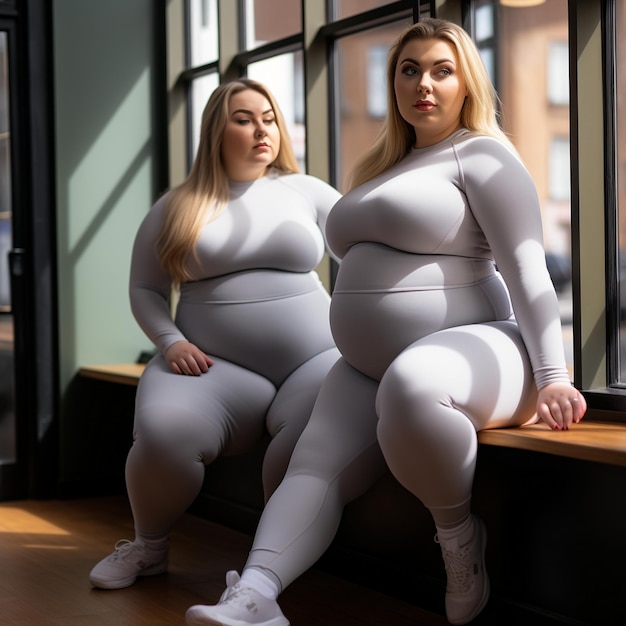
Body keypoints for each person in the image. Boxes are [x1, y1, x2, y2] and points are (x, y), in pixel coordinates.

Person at [184, 18, 588, 626]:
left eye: (441, 70)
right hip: (366, 366)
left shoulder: (483, 154)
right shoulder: (382, 165)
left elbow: (527, 267)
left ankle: (458, 540)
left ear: (467, 83)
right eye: (409, 69)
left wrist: (553, 374)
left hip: (487, 353)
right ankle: (255, 595)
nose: (423, 83)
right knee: (311, 465)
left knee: (413, 382)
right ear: (392, 83)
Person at [88, 78, 342, 590]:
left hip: (314, 361)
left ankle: (266, 568)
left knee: (309, 446)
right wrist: (170, 342)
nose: (260, 130)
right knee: (163, 433)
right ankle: (148, 546)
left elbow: (369, 255)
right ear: (215, 130)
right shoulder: (177, 205)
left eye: (269, 118)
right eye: (244, 119)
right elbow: (145, 289)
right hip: (211, 367)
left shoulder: (307, 191)